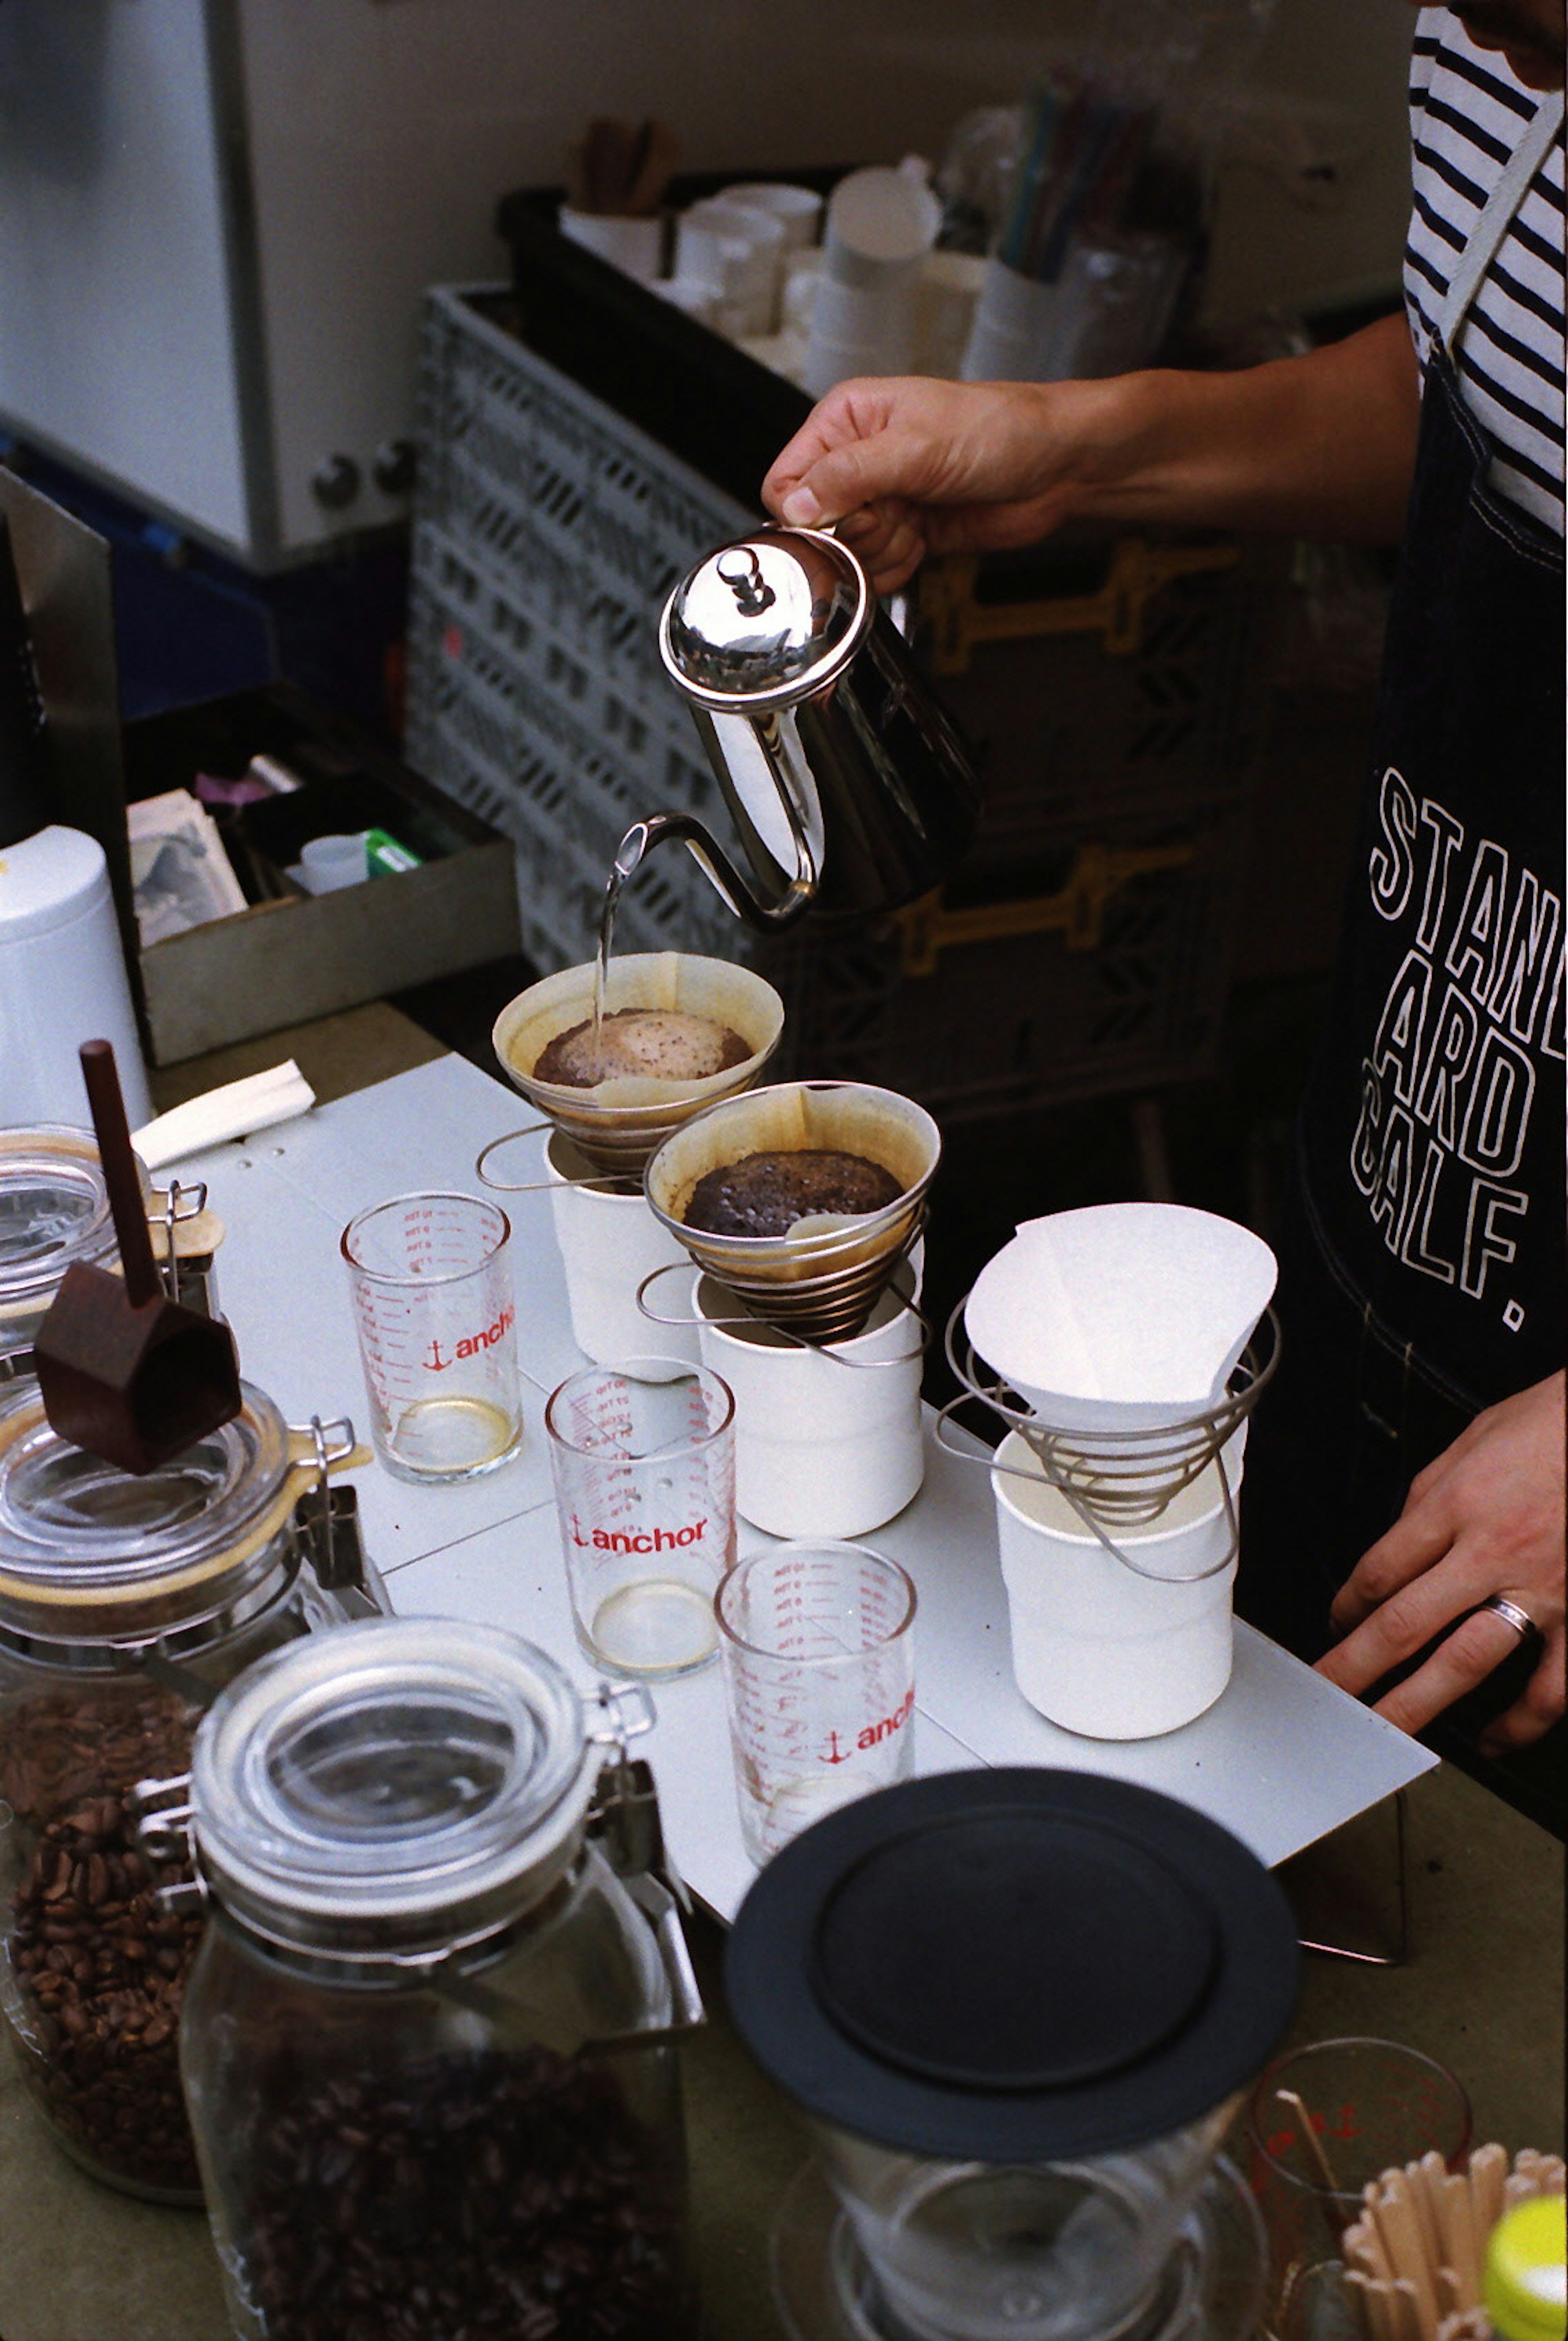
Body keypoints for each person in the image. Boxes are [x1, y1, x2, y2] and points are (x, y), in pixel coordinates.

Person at [761, 1, 1565, 1816]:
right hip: (1416, 1188)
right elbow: (1481, 396)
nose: (1497, 45)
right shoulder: (1497, 53)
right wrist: (1070, 452)